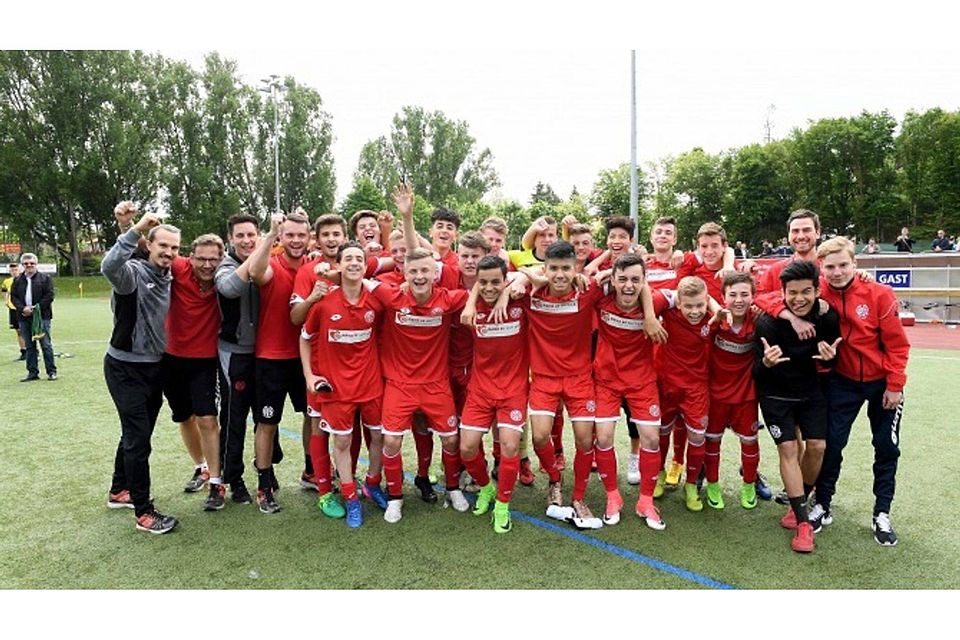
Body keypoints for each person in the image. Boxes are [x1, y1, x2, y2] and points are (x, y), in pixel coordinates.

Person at [808, 237, 910, 546]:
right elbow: (774, 297)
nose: (837, 272)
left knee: (886, 447)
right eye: (830, 267)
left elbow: (897, 344)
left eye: (843, 265)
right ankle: (823, 504)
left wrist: (895, 385)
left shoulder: (878, 293)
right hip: (843, 380)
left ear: (855, 264)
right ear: (821, 268)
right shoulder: (817, 293)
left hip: (882, 383)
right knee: (833, 444)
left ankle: (882, 513)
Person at [102, 201, 180, 534]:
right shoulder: (131, 275)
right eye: (163, 245)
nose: (169, 252)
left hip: (155, 368)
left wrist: (127, 226)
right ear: (149, 244)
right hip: (124, 368)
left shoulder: (170, 273)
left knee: (138, 434)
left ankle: (120, 491)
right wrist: (132, 229)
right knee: (138, 439)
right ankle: (144, 512)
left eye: (175, 248)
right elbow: (109, 265)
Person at [300, 241, 389, 528]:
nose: (353, 263)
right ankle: (350, 498)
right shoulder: (324, 303)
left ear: (365, 266)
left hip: (371, 383)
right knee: (341, 441)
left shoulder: (376, 301)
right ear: (338, 266)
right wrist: (310, 377)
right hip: (337, 388)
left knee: (379, 437)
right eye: (348, 258)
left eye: (358, 259)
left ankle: (372, 484)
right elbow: (304, 337)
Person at [753, 260, 840, 553]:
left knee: (817, 447)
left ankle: (798, 499)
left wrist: (830, 359)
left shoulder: (828, 318)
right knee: (789, 449)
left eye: (806, 291)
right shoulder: (767, 323)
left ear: (817, 291)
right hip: (775, 395)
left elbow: (833, 359)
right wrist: (766, 363)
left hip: (810, 393)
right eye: (792, 292)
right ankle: (803, 522)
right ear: (783, 292)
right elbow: (756, 373)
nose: (799, 298)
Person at [521, 240, 604, 527]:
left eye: (566, 268)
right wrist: (525, 275)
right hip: (544, 379)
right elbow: (506, 276)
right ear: (544, 269)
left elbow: (624, 275)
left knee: (584, 439)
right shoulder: (531, 294)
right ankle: (554, 481)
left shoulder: (587, 291)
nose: (559, 274)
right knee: (540, 437)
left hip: (580, 379)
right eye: (553, 268)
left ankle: (579, 496)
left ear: (575, 268)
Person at [593, 254, 671, 529]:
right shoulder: (600, 297)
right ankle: (612, 497)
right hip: (606, 379)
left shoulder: (659, 300)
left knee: (651, 439)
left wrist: (651, 315)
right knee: (603, 438)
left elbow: (691, 293)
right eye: (622, 279)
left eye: (636, 280)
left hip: (642, 382)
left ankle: (646, 501)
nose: (628, 286)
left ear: (644, 282)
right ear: (612, 279)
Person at [457, 255, 530, 533]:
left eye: (495, 282)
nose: (489, 287)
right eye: (483, 282)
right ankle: (486, 488)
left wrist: (507, 293)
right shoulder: (468, 304)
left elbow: (535, 272)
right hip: (481, 389)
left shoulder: (519, 299)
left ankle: (503, 503)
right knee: (466, 447)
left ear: (505, 280)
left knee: (510, 446)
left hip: (512, 389)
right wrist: (470, 300)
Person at [247, 211, 312, 514]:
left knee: (311, 417)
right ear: (282, 238)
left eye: (301, 235)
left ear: (309, 236)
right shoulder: (272, 264)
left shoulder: (314, 268)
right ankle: (263, 484)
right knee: (268, 422)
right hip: (271, 359)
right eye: (290, 235)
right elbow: (255, 272)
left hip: (306, 358)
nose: (296, 240)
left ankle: (312, 471)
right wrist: (270, 234)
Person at [162, 234, 226, 510]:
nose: (207, 265)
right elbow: (147, 246)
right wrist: (128, 224)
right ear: (190, 257)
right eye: (202, 258)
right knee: (183, 417)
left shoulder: (225, 277)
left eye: (213, 259)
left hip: (205, 360)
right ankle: (200, 467)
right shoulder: (177, 267)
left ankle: (216, 482)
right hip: (170, 357)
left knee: (208, 420)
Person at [654, 276, 717, 511]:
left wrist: (714, 308)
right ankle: (659, 475)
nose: (695, 311)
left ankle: (691, 486)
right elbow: (651, 296)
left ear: (707, 302)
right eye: (689, 306)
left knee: (698, 437)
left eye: (700, 305)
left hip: (696, 389)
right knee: (661, 433)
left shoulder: (712, 319)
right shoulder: (667, 315)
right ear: (678, 303)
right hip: (666, 385)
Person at [215, 213, 264, 505]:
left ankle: (265, 472)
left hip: (266, 353)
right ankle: (234, 478)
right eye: (240, 236)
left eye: (251, 235)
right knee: (234, 419)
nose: (247, 240)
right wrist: (259, 255)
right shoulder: (227, 265)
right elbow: (230, 288)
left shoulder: (268, 258)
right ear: (231, 239)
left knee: (265, 417)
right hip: (235, 354)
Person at [705, 272, 762, 510]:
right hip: (716, 393)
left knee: (750, 442)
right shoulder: (715, 321)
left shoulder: (759, 320)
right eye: (733, 295)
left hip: (746, 394)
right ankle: (712, 484)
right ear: (723, 297)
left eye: (745, 294)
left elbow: (777, 298)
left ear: (753, 297)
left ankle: (749, 484)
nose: (739, 300)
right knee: (712, 442)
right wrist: (713, 320)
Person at [10, 252, 57, 382]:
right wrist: (22, 308)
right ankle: (32, 372)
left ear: (36, 264)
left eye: (31, 263)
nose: (29, 265)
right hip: (23, 317)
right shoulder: (18, 280)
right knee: (29, 345)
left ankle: (51, 371)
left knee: (45, 344)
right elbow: (14, 297)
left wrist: (35, 309)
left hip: (42, 317)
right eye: (26, 263)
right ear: (22, 265)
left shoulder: (45, 278)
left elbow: (49, 296)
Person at [2, 263, 27, 361]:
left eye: (16, 270)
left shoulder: (24, 280)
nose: (14, 272)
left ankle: (34, 351)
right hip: (13, 309)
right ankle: (23, 351)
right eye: (12, 270)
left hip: (23, 308)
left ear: (20, 270)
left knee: (27, 330)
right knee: (18, 331)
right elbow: (4, 290)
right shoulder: (7, 281)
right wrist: (6, 300)